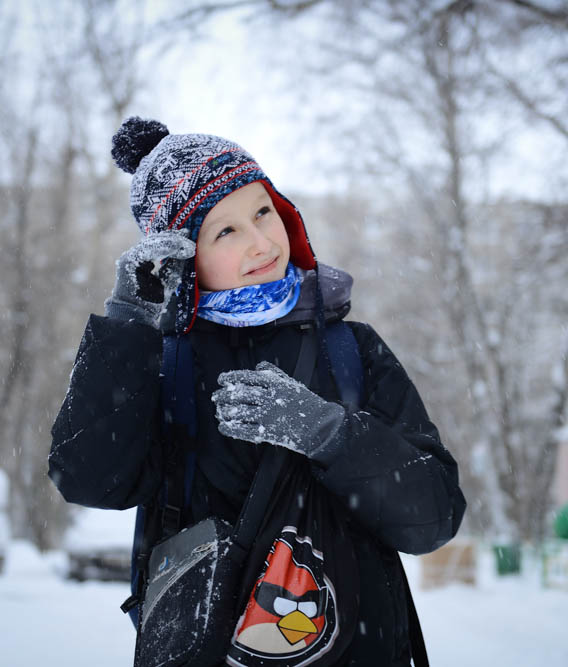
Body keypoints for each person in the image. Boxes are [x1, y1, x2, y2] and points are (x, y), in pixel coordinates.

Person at [48, 118, 466, 666]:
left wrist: (328, 432)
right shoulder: (163, 363)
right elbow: (87, 480)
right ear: (182, 258)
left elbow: (433, 517)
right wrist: (128, 326)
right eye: (225, 232)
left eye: (262, 212)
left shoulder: (352, 351)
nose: (261, 241)